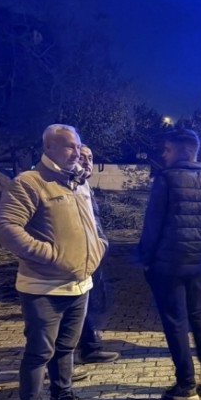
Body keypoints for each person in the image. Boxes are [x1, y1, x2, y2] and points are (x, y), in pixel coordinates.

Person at [0, 124, 106, 400]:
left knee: (66, 348)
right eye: (69, 146)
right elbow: (5, 228)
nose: (77, 151)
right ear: (49, 148)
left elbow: (92, 224)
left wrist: (100, 245)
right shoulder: (30, 182)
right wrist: (50, 254)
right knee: (39, 354)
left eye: (78, 145)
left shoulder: (78, 183)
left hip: (80, 284)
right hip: (43, 287)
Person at [138, 129, 201, 400]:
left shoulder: (167, 179)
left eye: (167, 150)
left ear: (182, 151)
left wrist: (145, 258)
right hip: (199, 261)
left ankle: (186, 385)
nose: (164, 155)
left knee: (175, 322)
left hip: (168, 264)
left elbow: (153, 225)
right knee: (199, 315)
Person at [75, 145, 119, 364]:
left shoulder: (84, 186)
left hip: (93, 255)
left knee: (95, 301)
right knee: (80, 305)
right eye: (81, 157)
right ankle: (74, 355)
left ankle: (90, 346)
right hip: (78, 257)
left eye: (90, 158)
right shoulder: (68, 187)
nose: (87, 162)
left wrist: (101, 244)